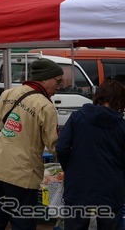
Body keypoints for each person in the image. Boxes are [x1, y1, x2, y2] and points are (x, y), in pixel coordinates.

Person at [0, 58, 63, 230]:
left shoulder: (8, 94)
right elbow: (55, 144)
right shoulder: (45, 106)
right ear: (44, 78)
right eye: (57, 81)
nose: (60, 86)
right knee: (22, 224)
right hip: (23, 174)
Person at [57, 79, 125, 230]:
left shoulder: (78, 117)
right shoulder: (121, 125)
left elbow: (61, 148)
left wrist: (71, 167)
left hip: (79, 184)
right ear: (119, 101)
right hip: (111, 187)